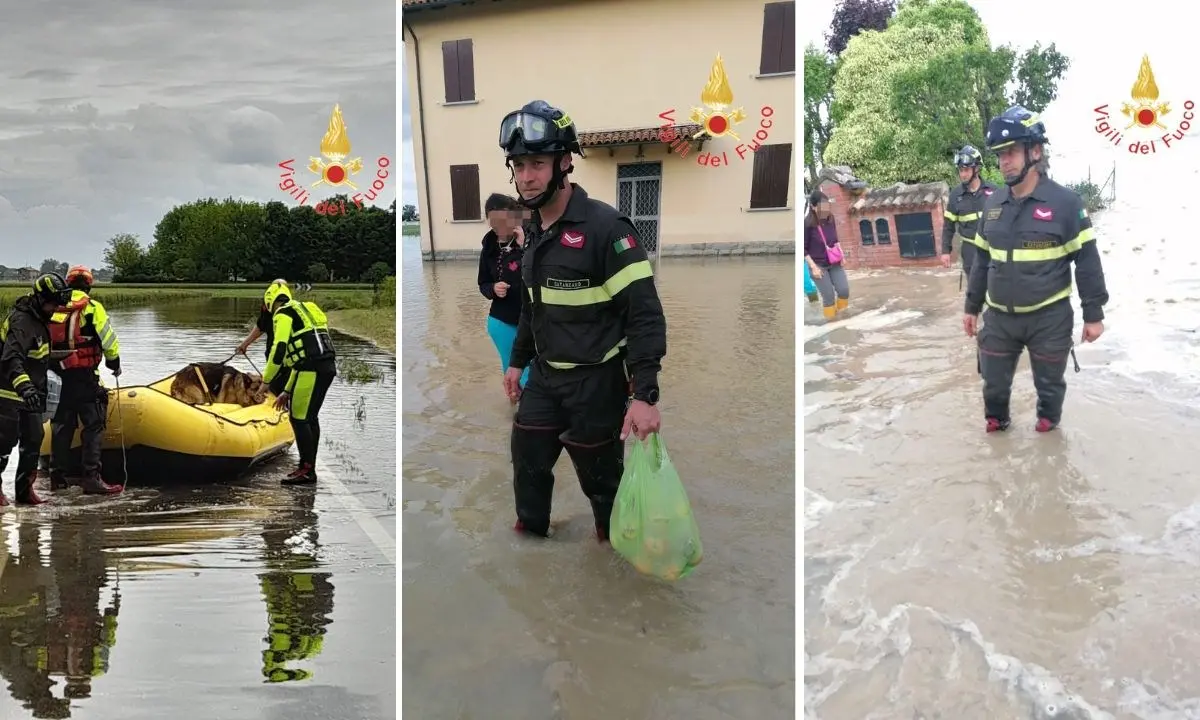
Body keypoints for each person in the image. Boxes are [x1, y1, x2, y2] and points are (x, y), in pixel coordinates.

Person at [498, 99, 668, 542]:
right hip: (545, 379)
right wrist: (517, 363)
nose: (526, 176)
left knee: (603, 489)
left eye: (537, 163)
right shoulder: (533, 231)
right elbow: (533, 308)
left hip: (598, 385)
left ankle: (609, 562)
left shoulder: (608, 229)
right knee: (527, 467)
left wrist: (645, 394)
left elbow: (645, 315)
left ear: (564, 162)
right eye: (518, 165)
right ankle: (529, 552)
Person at [963, 105, 1110, 433]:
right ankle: (999, 445)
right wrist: (971, 307)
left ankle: (1049, 448)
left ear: (1035, 151)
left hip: (1049, 319)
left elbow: (1087, 261)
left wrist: (1094, 314)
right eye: (1000, 154)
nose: (1004, 161)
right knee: (994, 394)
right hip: (999, 318)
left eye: (1012, 152)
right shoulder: (993, 205)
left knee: (1049, 397)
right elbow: (981, 261)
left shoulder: (1066, 204)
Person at [46, 265, 124, 495]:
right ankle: (91, 477)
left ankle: (57, 478)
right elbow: (108, 339)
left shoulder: (55, 307)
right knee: (93, 424)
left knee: (61, 425)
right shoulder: (92, 308)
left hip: (56, 376)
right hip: (84, 375)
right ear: (89, 285)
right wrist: (114, 363)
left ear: (68, 284)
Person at [0, 273, 72, 506]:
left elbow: (38, 357)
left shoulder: (40, 319)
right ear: (40, 299)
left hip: (31, 393)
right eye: (53, 303)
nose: (55, 309)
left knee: (34, 439)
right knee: (4, 440)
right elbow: (12, 358)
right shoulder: (22, 322)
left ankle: (24, 491)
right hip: (8, 391)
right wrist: (26, 388)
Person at [261, 282, 338, 485]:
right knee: (310, 418)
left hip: (310, 370)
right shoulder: (309, 309)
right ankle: (309, 466)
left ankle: (306, 470)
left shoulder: (283, 314)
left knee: (299, 419)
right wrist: (286, 390)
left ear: (271, 302)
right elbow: (299, 356)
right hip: (326, 367)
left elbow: (279, 349)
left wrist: (266, 380)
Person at [478, 192, 531, 388]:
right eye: (494, 223)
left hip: (534, 321)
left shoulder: (533, 236)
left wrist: (525, 247)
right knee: (515, 373)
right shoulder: (489, 246)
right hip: (502, 321)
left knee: (536, 372)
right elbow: (482, 283)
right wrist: (493, 288)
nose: (500, 228)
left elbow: (544, 274)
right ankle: (515, 413)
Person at [940, 145, 997, 279]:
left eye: (966, 170)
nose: (962, 174)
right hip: (970, 251)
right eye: (960, 170)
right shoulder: (955, 195)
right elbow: (948, 226)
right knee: (975, 290)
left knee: (997, 289)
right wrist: (945, 251)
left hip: (994, 249)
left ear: (976, 168)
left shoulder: (993, 191)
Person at [803, 189, 850, 321]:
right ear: (813, 207)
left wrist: (842, 256)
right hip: (818, 265)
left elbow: (835, 239)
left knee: (844, 291)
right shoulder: (807, 224)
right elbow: (803, 248)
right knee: (828, 297)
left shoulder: (831, 219)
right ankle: (832, 324)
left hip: (834, 261)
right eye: (822, 206)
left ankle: (844, 320)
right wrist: (813, 267)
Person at [237, 278, 289, 362]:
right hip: (278, 351)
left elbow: (261, 326)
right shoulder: (267, 307)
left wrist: (244, 344)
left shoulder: (269, 306)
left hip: (283, 352)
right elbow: (261, 326)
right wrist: (244, 345)